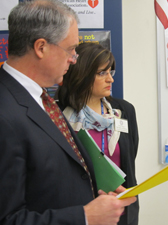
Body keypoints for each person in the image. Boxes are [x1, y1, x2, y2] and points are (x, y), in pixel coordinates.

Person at [0, 1, 136, 225]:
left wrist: (94, 186)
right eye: (70, 49)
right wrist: (85, 217)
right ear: (41, 47)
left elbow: (43, 177)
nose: (74, 58)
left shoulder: (40, 99)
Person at [56, 42, 139, 225]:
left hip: (119, 211)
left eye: (111, 72)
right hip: (78, 213)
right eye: (102, 73)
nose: (110, 79)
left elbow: (130, 157)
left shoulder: (124, 111)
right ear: (82, 74)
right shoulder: (58, 114)